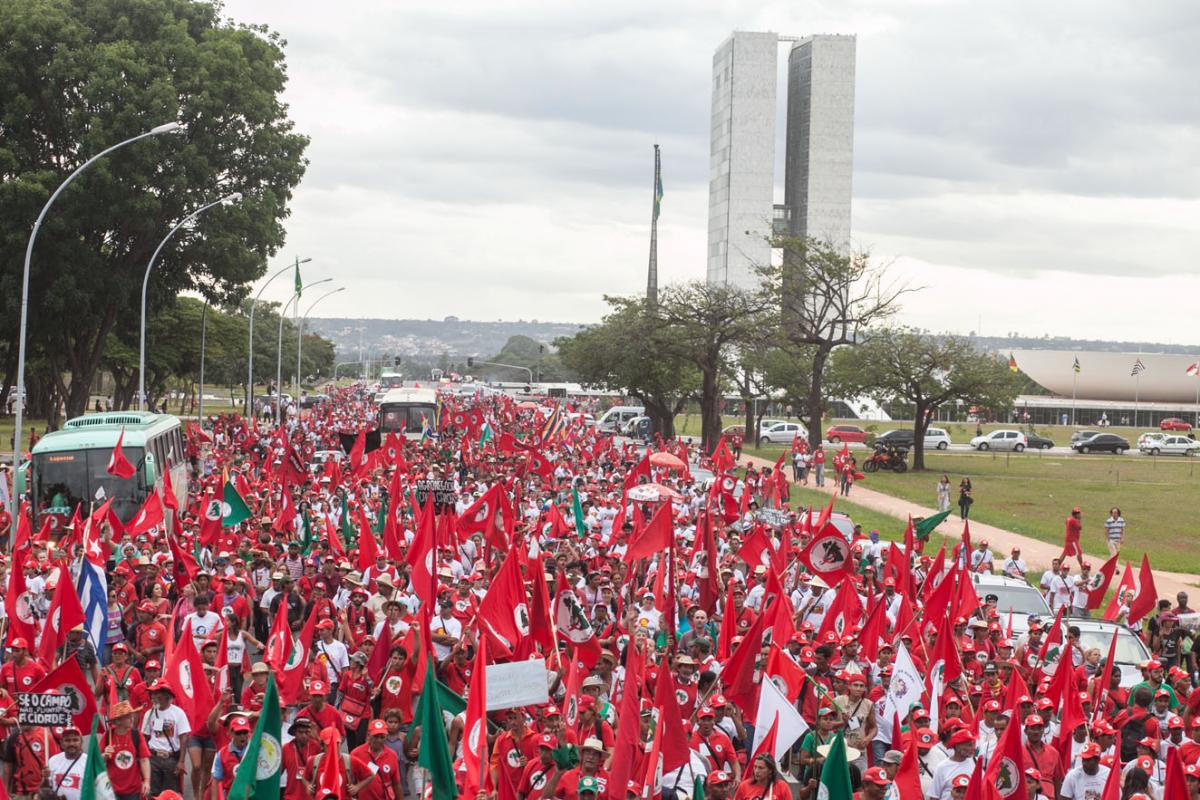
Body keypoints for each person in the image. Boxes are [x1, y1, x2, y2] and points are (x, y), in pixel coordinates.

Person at [140, 680, 190, 795]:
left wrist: (181, 761)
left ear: (166, 695)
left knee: (170, 794)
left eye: (156, 693)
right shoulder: (149, 714)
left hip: (171, 760)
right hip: (153, 758)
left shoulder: (178, 713)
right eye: (152, 693)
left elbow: (184, 738)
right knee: (152, 794)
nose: (153, 697)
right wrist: (143, 760)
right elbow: (145, 737)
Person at [45, 726, 86, 800]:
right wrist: (45, 778)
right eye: (67, 740)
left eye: (75, 740)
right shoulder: (53, 761)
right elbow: (46, 789)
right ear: (61, 743)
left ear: (81, 742)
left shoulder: (89, 762)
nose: (71, 744)